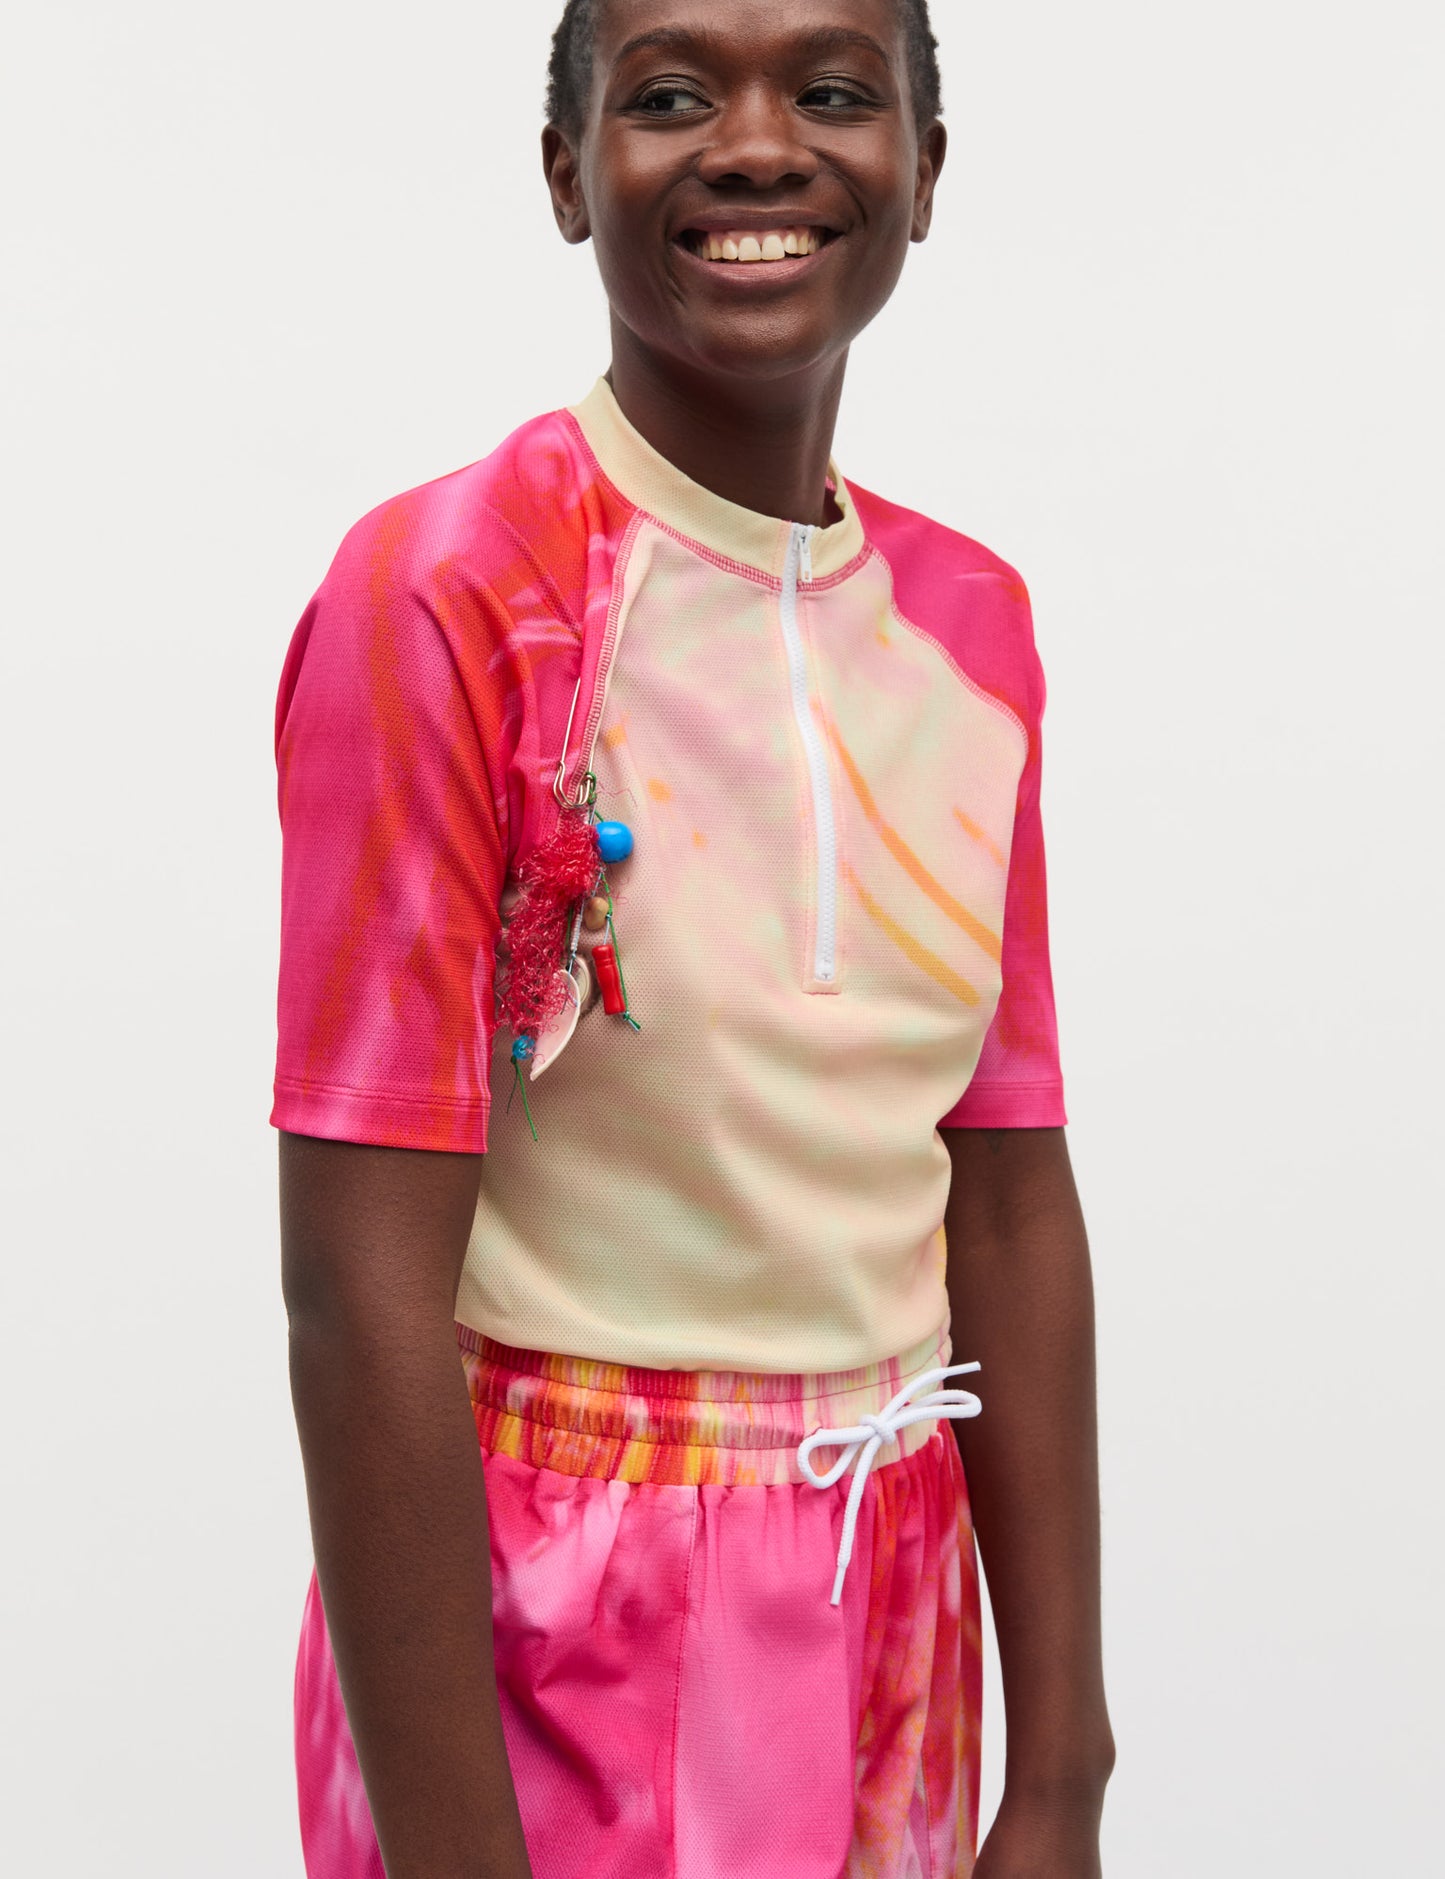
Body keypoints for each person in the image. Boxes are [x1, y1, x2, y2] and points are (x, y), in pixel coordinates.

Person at [273, 1, 1115, 1874]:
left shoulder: (968, 626)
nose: (754, 146)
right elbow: (357, 1294)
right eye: (667, 95)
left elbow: (1001, 1188)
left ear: (923, 168)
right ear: (568, 172)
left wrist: (1061, 1767)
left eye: (831, 92)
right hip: (554, 1623)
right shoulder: (453, 595)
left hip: (889, 1583)